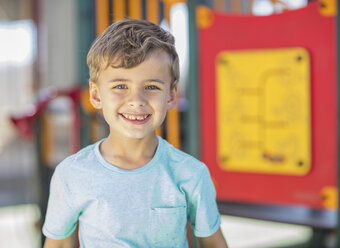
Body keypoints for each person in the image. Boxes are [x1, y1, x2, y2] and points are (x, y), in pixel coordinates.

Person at [42, 18, 228, 248]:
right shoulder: (71, 174)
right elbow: (58, 244)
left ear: (171, 96)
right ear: (96, 95)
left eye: (151, 87)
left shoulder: (191, 174)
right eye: (120, 86)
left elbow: (214, 244)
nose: (136, 101)